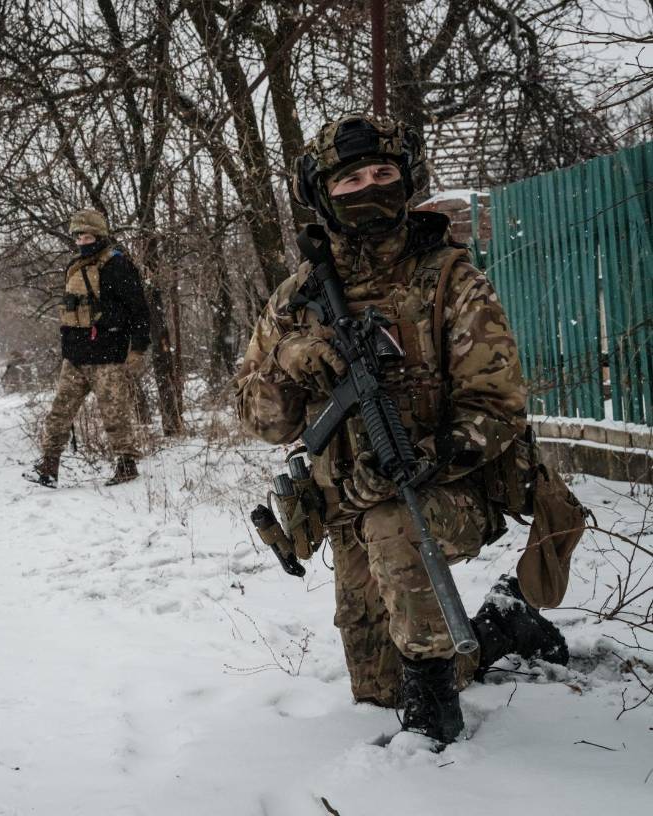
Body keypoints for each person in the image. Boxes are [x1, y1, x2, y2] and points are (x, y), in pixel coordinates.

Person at [234, 116, 572, 743]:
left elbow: (498, 407)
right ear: (323, 196)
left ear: (406, 179)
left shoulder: (451, 281)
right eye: (352, 179)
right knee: (377, 687)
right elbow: (260, 419)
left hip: (446, 489)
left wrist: (433, 454)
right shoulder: (296, 297)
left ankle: (433, 725)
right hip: (345, 504)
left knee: (396, 531)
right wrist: (292, 359)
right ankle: (501, 622)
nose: (371, 187)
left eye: (384, 173)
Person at [30, 208, 151, 487]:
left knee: (114, 412)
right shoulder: (75, 266)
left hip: (107, 353)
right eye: (78, 237)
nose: (82, 241)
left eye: (86, 236)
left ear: (99, 235)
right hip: (75, 355)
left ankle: (126, 464)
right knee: (60, 411)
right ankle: (49, 466)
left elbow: (139, 310)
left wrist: (138, 348)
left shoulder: (118, 265)